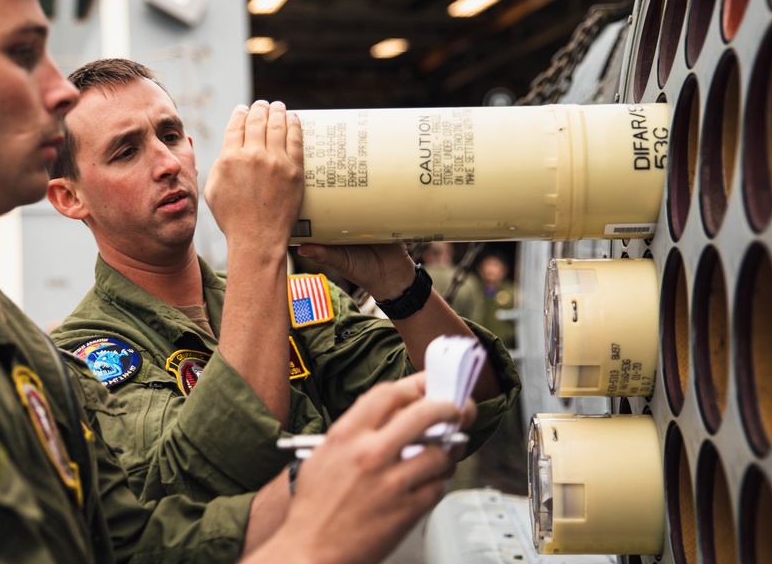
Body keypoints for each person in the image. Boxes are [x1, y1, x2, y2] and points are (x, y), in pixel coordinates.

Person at [0, 0, 479, 564]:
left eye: (171, 134)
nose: (55, 91)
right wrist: (306, 552)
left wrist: (319, 488)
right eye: (22, 52)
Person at [45, 58, 521, 508]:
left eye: (170, 135)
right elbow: (217, 475)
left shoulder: (301, 303)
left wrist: (399, 282)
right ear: (69, 198)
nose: (166, 162)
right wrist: (256, 237)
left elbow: (466, 402)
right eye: (125, 151)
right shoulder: (79, 361)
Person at [419, 241, 483, 322]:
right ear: (451, 252)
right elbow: (475, 318)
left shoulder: (414, 277)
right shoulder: (468, 281)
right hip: (458, 332)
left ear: (425, 255)